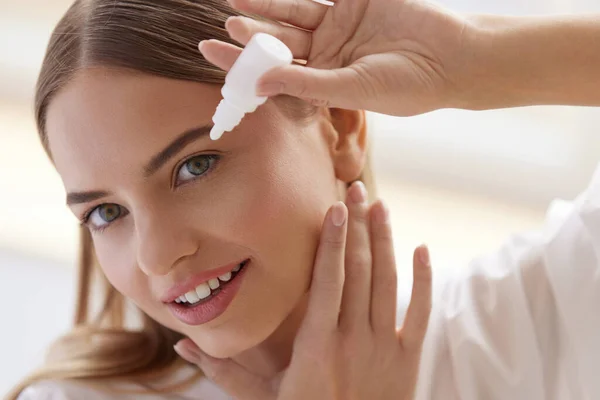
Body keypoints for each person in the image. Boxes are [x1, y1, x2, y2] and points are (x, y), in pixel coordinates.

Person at [7, 0, 600, 398]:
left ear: (341, 126)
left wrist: (474, 59)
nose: (156, 256)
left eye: (196, 166)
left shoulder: (532, 318)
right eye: (106, 213)